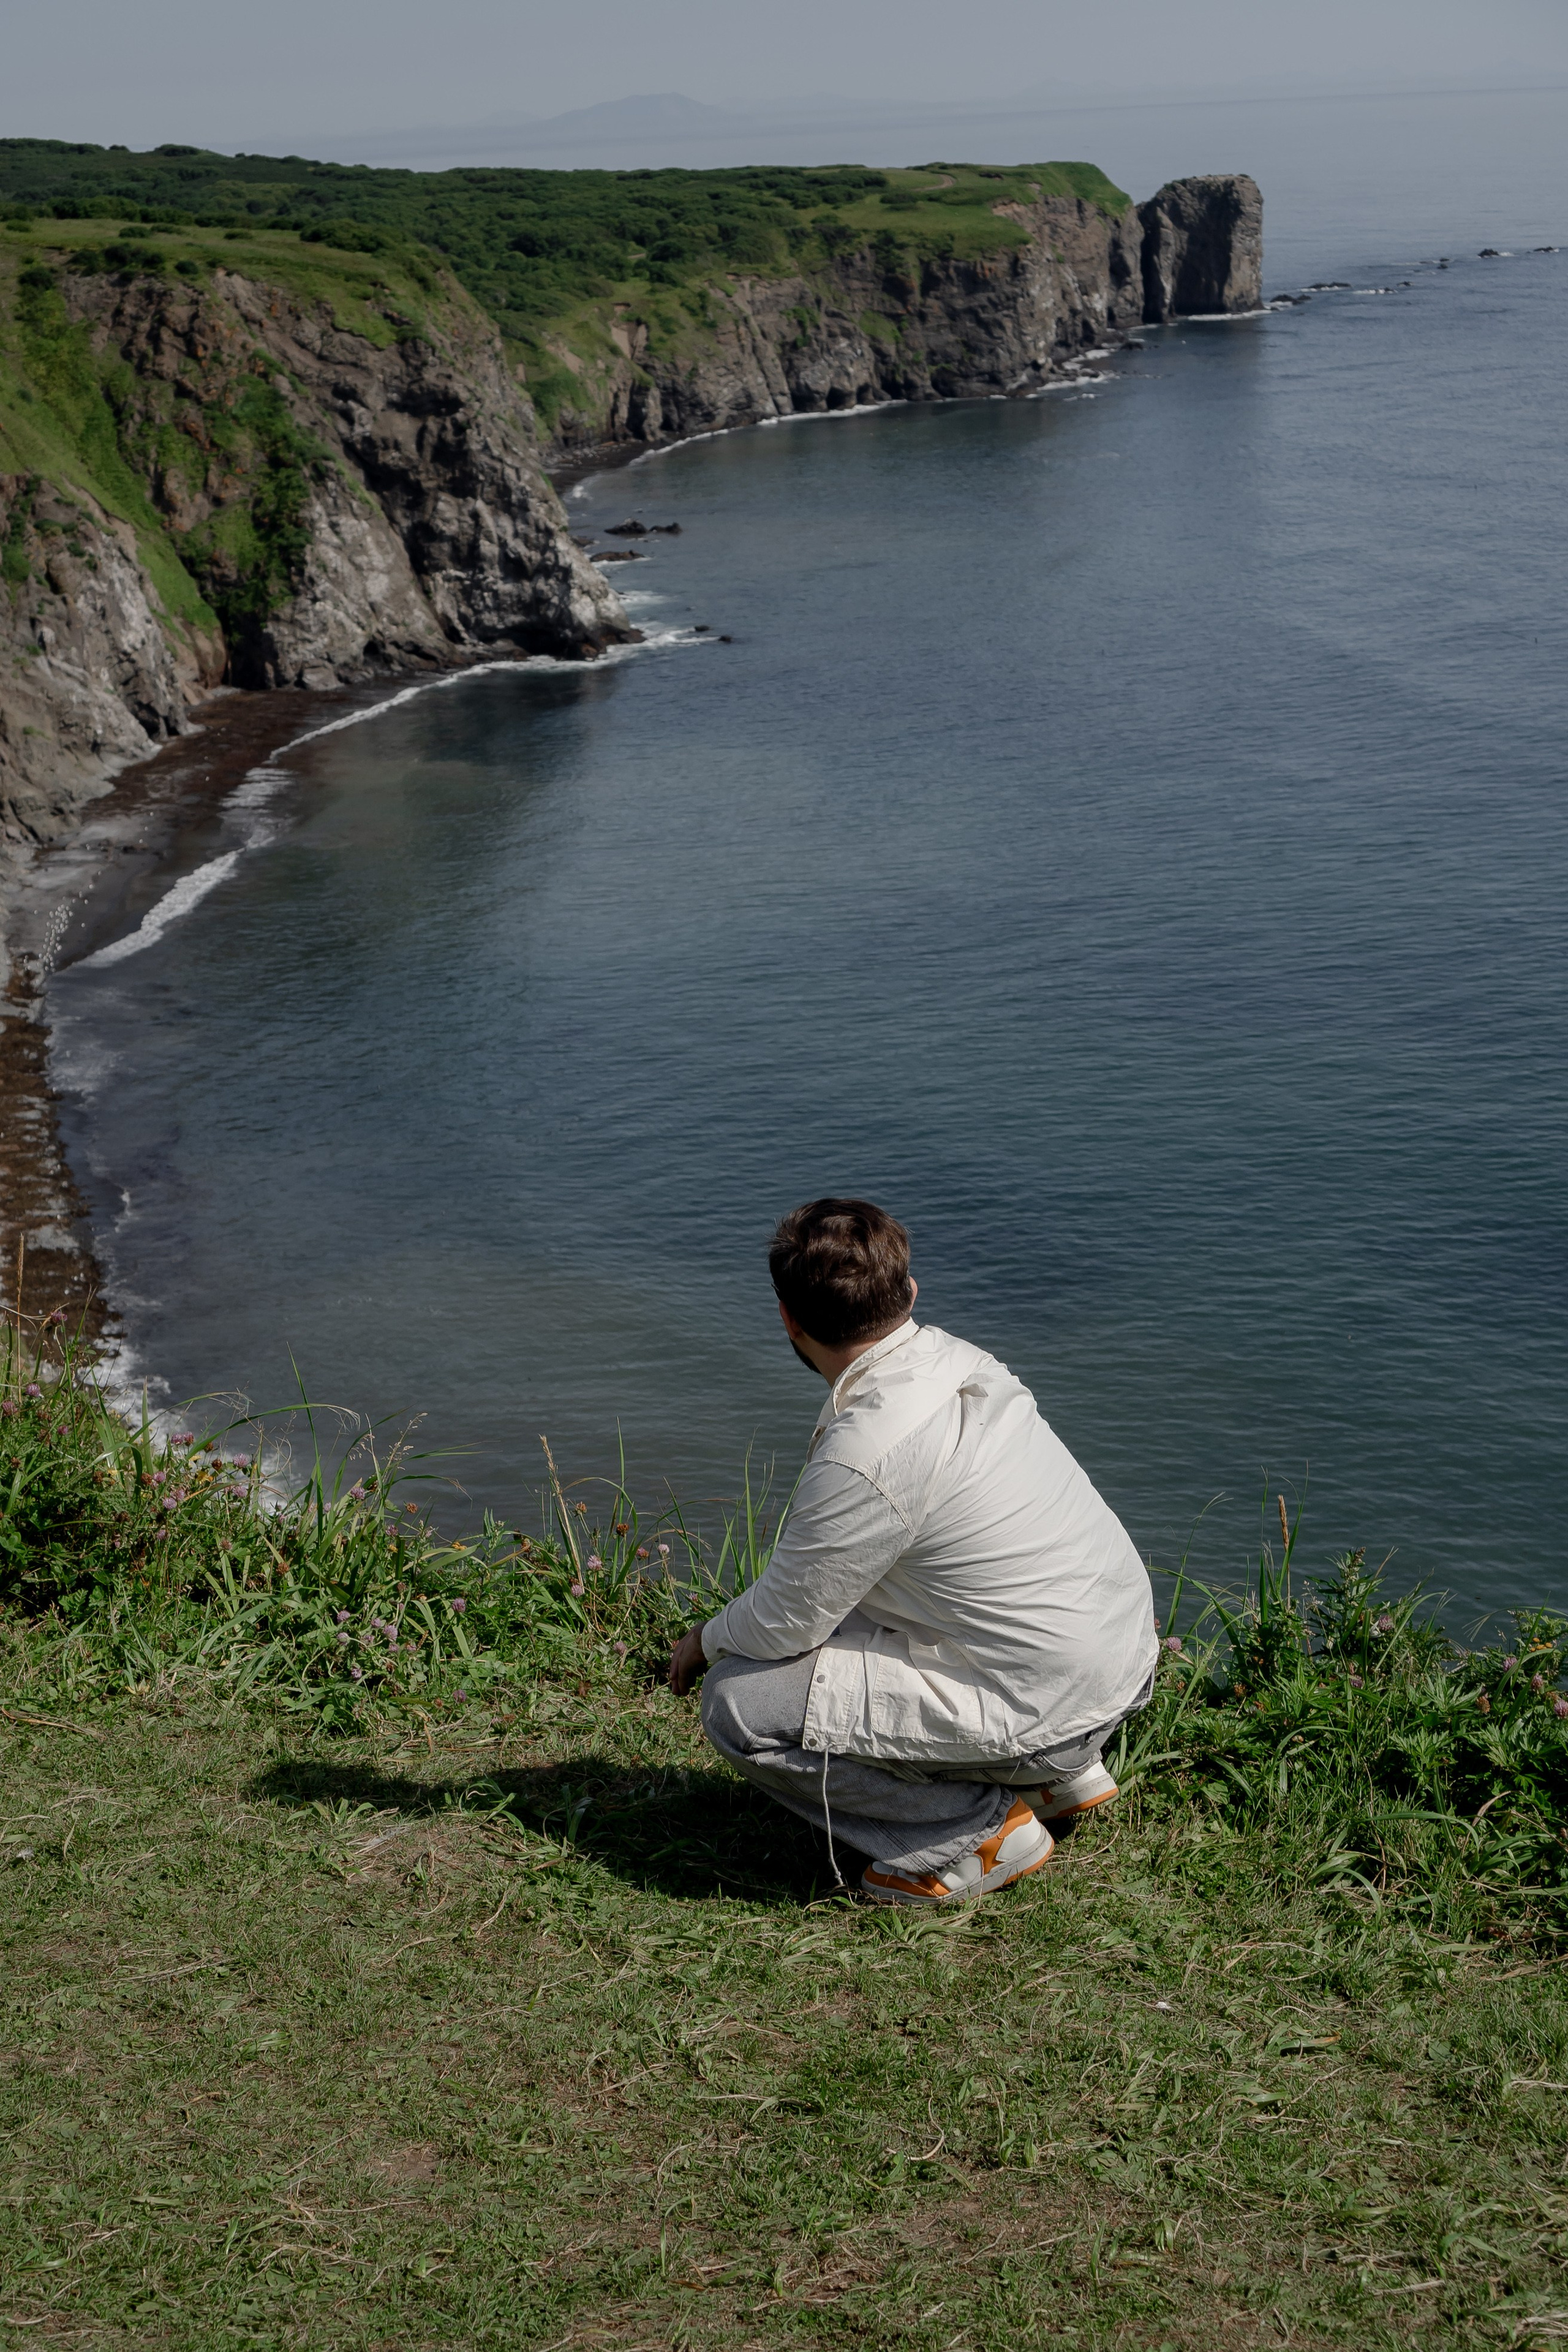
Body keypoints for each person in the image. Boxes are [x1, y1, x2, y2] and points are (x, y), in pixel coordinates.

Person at [667, 1197, 1158, 1907]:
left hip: (1050, 1707)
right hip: (1117, 1665)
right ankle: (1050, 1778)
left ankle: (970, 1836)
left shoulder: (867, 1451)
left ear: (788, 1319)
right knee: (849, 1619)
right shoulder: (963, 1364)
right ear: (909, 1292)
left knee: (737, 1703)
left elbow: (785, 1624)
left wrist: (705, 1639)